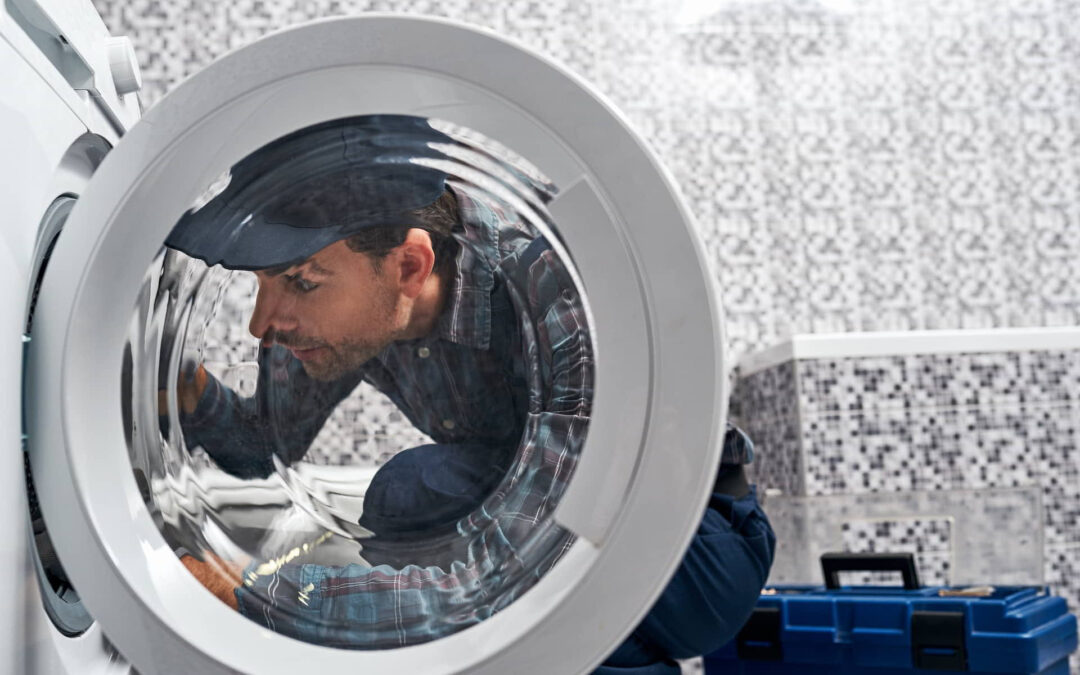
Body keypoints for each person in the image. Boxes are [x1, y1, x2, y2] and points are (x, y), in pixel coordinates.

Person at [166, 116, 775, 672]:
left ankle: (615, 650)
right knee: (409, 493)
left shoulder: (559, 286)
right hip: (525, 492)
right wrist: (180, 383)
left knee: (466, 540)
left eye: (299, 282)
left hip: (687, 531)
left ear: (408, 265)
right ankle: (613, 652)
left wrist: (264, 603)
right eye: (262, 284)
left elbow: (524, 561)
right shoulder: (362, 312)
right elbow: (261, 444)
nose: (261, 322)